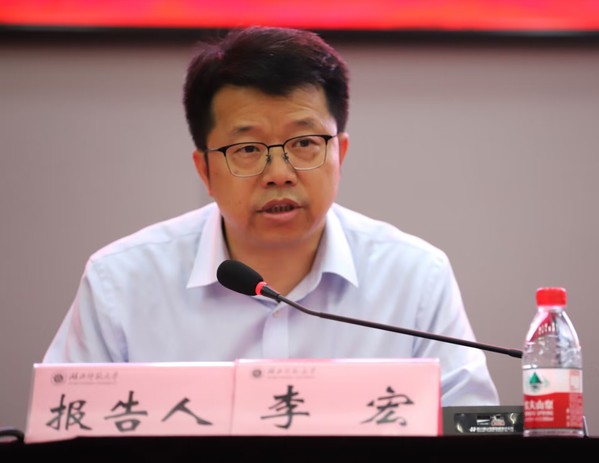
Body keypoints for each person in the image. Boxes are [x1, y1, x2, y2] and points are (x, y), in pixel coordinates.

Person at [43, 25, 499, 407]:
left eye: (304, 143)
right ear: (204, 170)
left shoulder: (415, 277)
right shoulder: (121, 282)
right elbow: (65, 427)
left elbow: (472, 431)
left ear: (339, 154)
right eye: (247, 149)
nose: (279, 174)